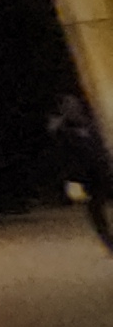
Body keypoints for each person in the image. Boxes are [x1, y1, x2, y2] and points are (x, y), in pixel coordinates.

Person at [51, 95, 113, 255]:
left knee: (99, 206)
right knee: (95, 209)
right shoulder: (62, 130)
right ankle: (109, 242)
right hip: (81, 176)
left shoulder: (92, 124)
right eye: (68, 106)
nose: (72, 108)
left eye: (74, 105)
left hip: (102, 171)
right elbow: (60, 154)